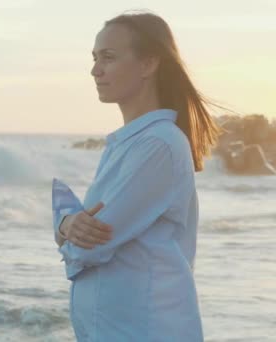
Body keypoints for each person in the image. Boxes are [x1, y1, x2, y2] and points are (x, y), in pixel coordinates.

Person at [53, 11, 223, 341]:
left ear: (148, 64)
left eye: (109, 57)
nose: (95, 70)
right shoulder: (129, 144)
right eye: (94, 58)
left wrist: (65, 231)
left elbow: (89, 248)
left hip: (145, 330)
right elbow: (83, 233)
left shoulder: (157, 145)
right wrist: (66, 225)